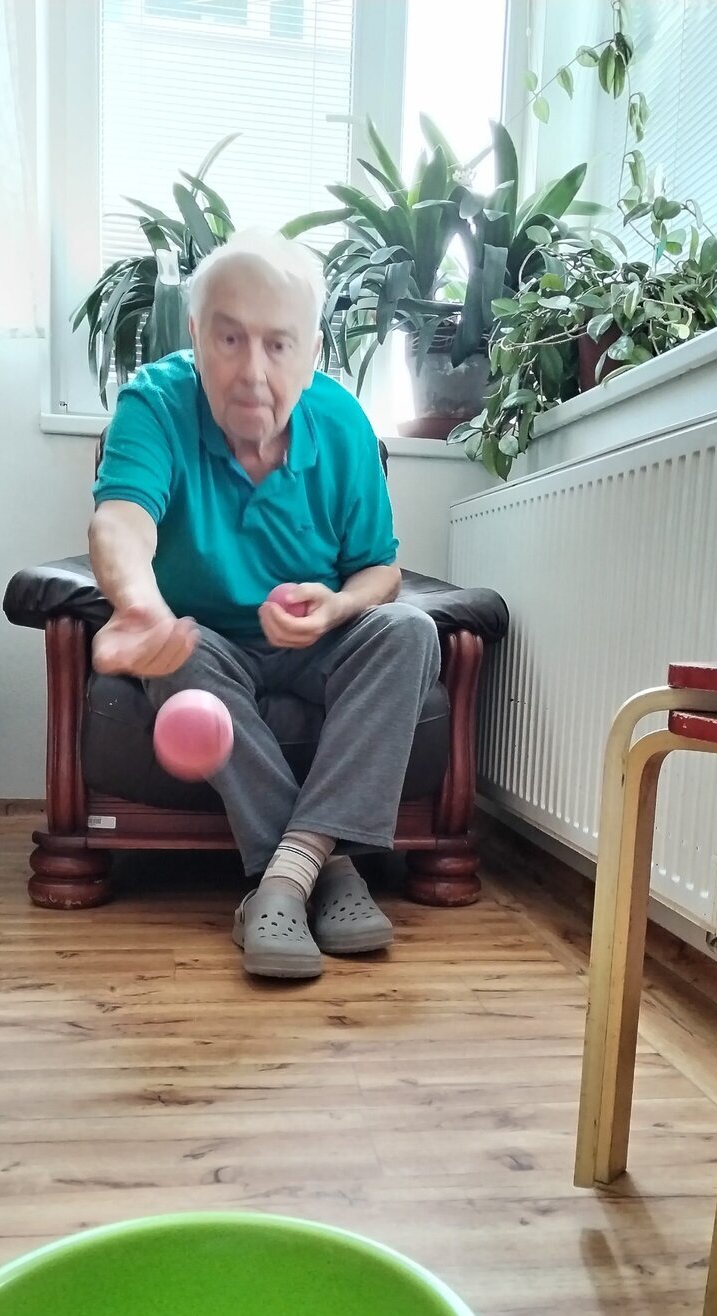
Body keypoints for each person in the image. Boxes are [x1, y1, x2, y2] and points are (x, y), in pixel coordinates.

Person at [89, 229, 441, 980]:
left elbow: (381, 571)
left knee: (410, 631)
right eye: (229, 339)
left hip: (320, 644)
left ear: (311, 354)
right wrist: (142, 605)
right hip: (210, 643)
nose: (253, 372)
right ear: (195, 336)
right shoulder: (155, 402)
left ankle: (281, 881)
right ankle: (325, 868)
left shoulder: (342, 424)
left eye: (278, 345)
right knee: (178, 652)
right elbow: (121, 521)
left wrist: (338, 606)